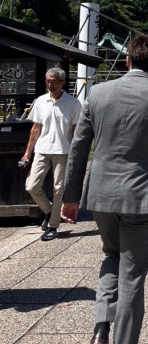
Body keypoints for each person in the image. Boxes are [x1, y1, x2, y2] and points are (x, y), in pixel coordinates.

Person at [61, 34, 148, 344]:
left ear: (127, 60)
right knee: (132, 278)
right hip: (141, 196)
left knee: (110, 257)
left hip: (100, 195)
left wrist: (70, 198)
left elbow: (79, 148)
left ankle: (101, 329)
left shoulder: (97, 95)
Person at [20, 67, 82, 241]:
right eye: (47, 80)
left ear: (62, 83)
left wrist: (78, 153)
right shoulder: (40, 101)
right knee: (32, 186)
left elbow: (76, 130)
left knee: (58, 189)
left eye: (53, 81)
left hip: (63, 150)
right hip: (42, 148)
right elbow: (35, 128)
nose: (49, 84)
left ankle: (53, 225)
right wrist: (27, 152)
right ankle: (48, 211)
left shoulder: (73, 103)